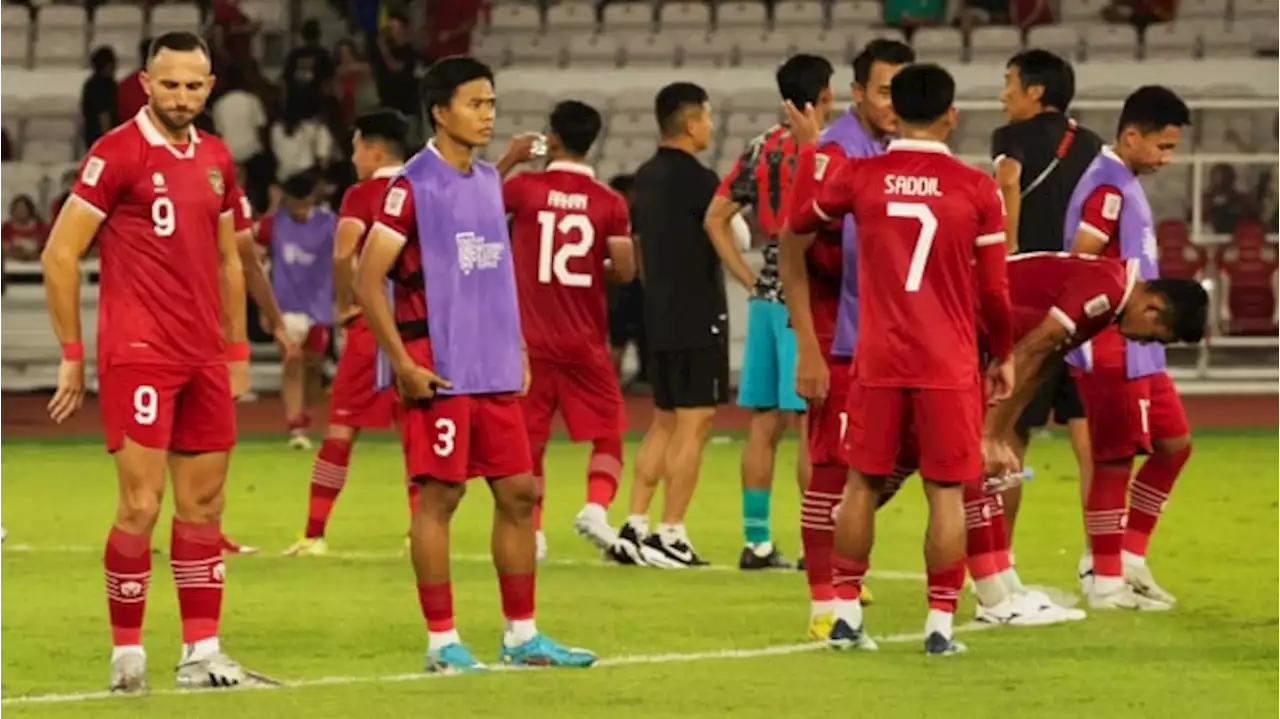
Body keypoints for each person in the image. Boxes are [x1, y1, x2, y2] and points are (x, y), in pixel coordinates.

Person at [40, 32, 272, 692]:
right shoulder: (115, 153)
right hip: (139, 352)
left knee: (205, 506)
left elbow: (230, 260)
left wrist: (234, 349)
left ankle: (202, 654)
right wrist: (72, 354)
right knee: (141, 504)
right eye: (168, 84)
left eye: (193, 85)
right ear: (145, 83)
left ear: (210, 86)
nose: (181, 96)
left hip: (202, 354)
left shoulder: (218, 158)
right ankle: (127, 654)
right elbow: (60, 254)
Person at [355, 55, 595, 673]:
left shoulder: (489, 180)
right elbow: (367, 278)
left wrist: (514, 345)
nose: (488, 114)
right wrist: (403, 363)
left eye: (491, 102)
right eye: (475, 103)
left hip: (491, 365)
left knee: (519, 493)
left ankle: (521, 636)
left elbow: (494, 272)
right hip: (438, 365)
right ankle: (441, 642)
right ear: (440, 112)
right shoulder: (410, 186)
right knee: (440, 497)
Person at [789, 63, 1014, 655]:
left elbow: (798, 222)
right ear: (951, 115)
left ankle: (843, 614)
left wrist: (811, 152)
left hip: (878, 356)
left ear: (896, 112)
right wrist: (1004, 354)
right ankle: (939, 627)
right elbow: (994, 291)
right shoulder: (976, 188)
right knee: (946, 492)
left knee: (860, 484)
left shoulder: (861, 175)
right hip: (947, 361)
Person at [776, 38, 915, 636]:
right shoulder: (835, 151)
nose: (895, 102)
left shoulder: (894, 150)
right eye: (884, 90)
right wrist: (806, 343)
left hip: (886, 336)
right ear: (857, 93)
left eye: (902, 91)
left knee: (908, 454)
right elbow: (793, 249)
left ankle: (838, 556)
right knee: (832, 465)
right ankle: (823, 601)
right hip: (837, 334)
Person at [704, 54, 837, 572]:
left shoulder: (761, 147)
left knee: (762, 424)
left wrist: (749, 278)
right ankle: (813, 544)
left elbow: (716, 219)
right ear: (824, 96)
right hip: (807, 300)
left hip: (765, 299)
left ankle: (755, 542)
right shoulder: (824, 151)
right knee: (811, 425)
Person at [1064, 86, 1194, 611]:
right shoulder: (1108, 187)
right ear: (1131, 135)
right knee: (1113, 460)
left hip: (1143, 347)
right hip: (1113, 346)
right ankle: (1105, 577)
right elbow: (1082, 259)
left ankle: (1129, 557)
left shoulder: (1124, 182)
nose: (1167, 159)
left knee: (1174, 445)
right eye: (1162, 147)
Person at [503, 100, 636, 560]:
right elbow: (624, 269)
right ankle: (596, 508)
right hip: (583, 338)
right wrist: (591, 264)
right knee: (609, 430)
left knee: (529, 441)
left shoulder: (523, 189)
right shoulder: (610, 202)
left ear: (552, 139)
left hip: (528, 341)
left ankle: (533, 531)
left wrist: (508, 158)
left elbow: (474, 205)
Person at [285, 109, 411, 556]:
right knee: (419, 436)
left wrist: (344, 305)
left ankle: (314, 534)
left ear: (375, 151)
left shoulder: (362, 195)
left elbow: (343, 254)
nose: (354, 157)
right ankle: (422, 534)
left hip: (373, 328)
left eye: (357, 148)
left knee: (341, 430)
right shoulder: (428, 188)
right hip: (422, 328)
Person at [991, 49, 1104, 547]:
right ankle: (1100, 560)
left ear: (1036, 91)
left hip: (1031, 299)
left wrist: (1009, 245)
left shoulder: (1010, 138)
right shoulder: (1093, 144)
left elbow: (1009, 181)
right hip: (1083, 296)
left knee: (1009, 430)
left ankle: (1000, 556)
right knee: (1090, 436)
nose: (1004, 94)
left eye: (1010, 82)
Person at [607, 82, 722, 568]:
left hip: (658, 312)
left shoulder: (645, 177)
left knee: (663, 421)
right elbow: (726, 232)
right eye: (708, 118)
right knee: (695, 424)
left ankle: (634, 524)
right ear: (692, 122)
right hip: (697, 312)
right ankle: (671, 531)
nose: (711, 127)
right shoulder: (701, 182)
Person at [256, 173, 337, 449]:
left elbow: (345, 260)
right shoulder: (273, 224)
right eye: (295, 203)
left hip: (318, 307)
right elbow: (255, 261)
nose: (301, 209)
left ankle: (306, 413)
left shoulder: (329, 224)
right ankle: (295, 426)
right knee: (291, 362)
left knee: (313, 366)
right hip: (285, 307)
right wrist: (265, 309)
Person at [605, 174, 649, 385]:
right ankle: (616, 382)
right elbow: (637, 246)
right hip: (628, 284)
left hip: (612, 283)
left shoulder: (607, 212)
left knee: (617, 340)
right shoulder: (632, 214)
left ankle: (614, 382)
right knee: (621, 338)